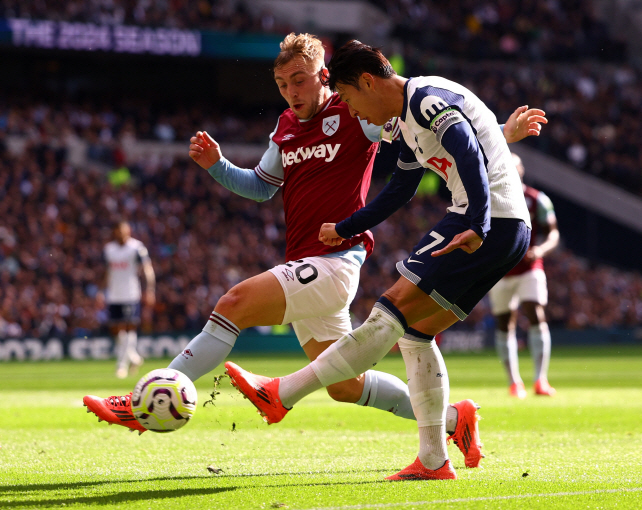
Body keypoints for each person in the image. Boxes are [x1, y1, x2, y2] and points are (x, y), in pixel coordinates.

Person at [84, 34, 544, 453]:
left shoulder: (357, 113)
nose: (291, 92)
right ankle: (451, 422)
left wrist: (496, 137)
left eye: (299, 80)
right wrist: (218, 166)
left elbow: (433, 134)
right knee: (345, 384)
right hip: (305, 257)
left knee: (235, 301)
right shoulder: (284, 128)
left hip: (337, 262)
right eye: (283, 84)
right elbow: (262, 186)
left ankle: (154, 394)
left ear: (325, 77)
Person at [225, 40, 535, 481]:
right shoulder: (407, 121)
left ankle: (284, 393)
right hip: (505, 227)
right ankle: (433, 460)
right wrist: (348, 226)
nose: (351, 112)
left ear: (368, 82)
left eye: (349, 98)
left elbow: (465, 146)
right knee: (414, 334)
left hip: (486, 220)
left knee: (386, 313)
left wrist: (478, 223)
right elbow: (400, 189)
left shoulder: (425, 98)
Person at [488, 153, 559, 398]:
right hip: (499, 270)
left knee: (534, 311)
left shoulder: (537, 199)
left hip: (530, 267)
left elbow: (553, 233)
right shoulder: (490, 198)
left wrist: (540, 249)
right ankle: (514, 382)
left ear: (521, 170)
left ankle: (541, 379)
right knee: (504, 322)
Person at [99, 221, 155, 379]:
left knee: (129, 327)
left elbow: (147, 268)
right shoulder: (109, 249)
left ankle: (121, 365)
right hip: (113, 294)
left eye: (124, 231)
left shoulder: (137, 247)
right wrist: (101, 292)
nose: (122, 234)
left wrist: (150, 289)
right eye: (119, 231)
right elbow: (106, 272)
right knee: (116, 330)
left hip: (131, 294)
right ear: (115, 232)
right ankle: (134, 358)